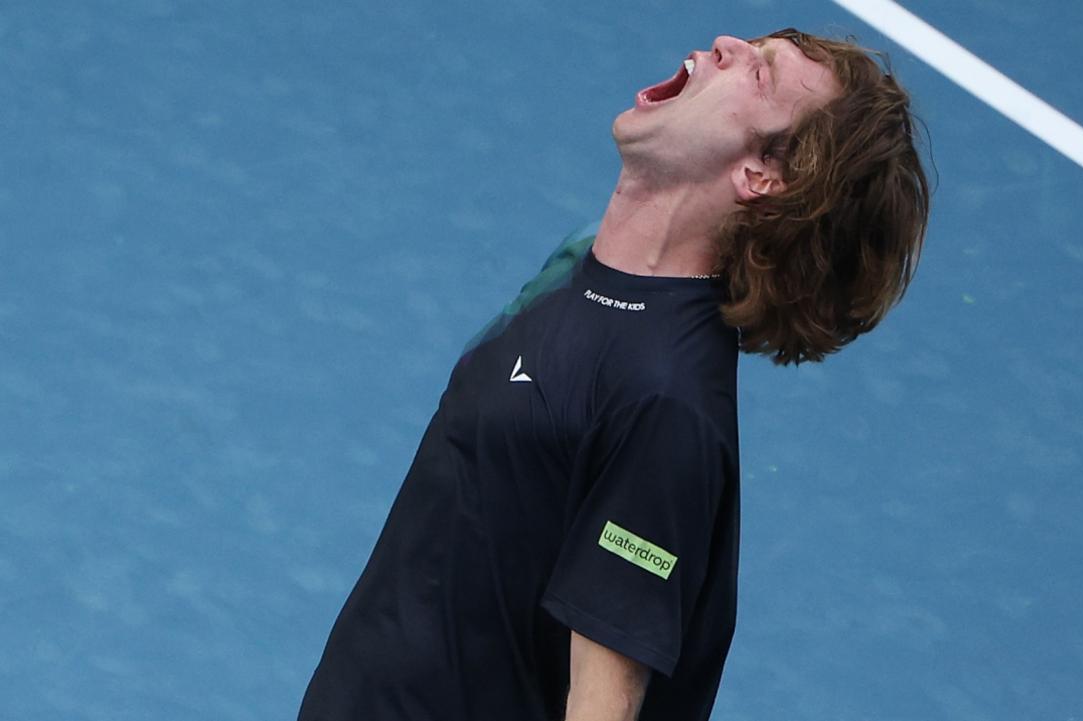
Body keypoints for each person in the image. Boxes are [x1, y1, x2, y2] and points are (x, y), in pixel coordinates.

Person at [298, 27, 929, 721]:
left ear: (762, 176)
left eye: (761, 75)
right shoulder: (575, 264)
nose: (726, 44)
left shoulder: (665, 405)